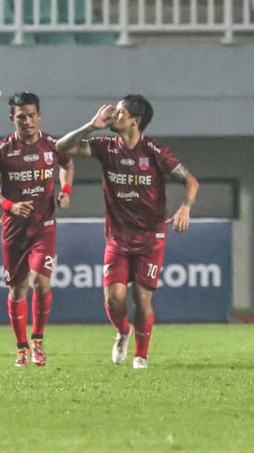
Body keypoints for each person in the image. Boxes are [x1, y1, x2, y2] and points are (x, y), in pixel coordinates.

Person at [56, 94, 199, 369]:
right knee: (114, 297)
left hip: (151, 237)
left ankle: (140, 355)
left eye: (120, 112)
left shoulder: (155, 152)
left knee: (142, 299)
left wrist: (185, 207)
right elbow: (61, 147)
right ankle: (123, 331)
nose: (114, 115)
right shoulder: (105, 147)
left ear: (135, 120)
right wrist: (90, 125)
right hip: (118, 238)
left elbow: (191, 181)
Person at [0, 93, 74, 368]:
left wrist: (65, 191)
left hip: (44, 225)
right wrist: (8, 204)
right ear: (13, 118)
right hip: (14, 230)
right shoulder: (1, 150)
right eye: (21, 116)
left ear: (39, 116)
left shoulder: (53, 145)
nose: (27, 120)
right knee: (17, 290)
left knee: (41, 284)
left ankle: (38, 341)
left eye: (31, 115)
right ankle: (21, 347)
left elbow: (67, 165)